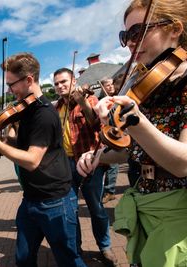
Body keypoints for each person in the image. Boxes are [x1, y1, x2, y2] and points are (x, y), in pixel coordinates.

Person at [77, 0, 187, 266]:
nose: (129, 43)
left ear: (174, 29)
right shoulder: (148, 83)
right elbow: (134, 151)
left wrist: (136, 121)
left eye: (138, 32)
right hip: (146, 200)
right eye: (125, 36)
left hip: (179, 213)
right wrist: (99, 157)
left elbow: (183, 163)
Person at [0, 52, 85, 267]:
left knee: (69, 260)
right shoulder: (26, 110)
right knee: (23, 258)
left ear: (28, 80)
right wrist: (4, 137)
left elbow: (32, 160)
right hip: (31, 199)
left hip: (55, 201)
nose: (9, 90)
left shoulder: (43, 114)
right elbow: (22, 147)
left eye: (11, 84)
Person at [53, 68, 117, 266]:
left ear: (74, 81)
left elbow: (97, 124)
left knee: (96, 207)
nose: (60, 86)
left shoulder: (88, 100)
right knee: (70, 211)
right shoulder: (56, 108)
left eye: (64, 81)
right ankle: (76, 249)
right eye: (56, 84)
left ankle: (105, 246)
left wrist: (81, 101)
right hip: (66, 165)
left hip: (89, 162)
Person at [99, 77, 119, 204]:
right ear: (103, 88)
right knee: (111, 164)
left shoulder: (121, 97)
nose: (110, 87)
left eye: (112, 84)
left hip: (123, 133)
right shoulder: (103, 101)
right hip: (110, 134)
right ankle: (109, 191)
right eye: (107, 85)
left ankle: (109, 191)